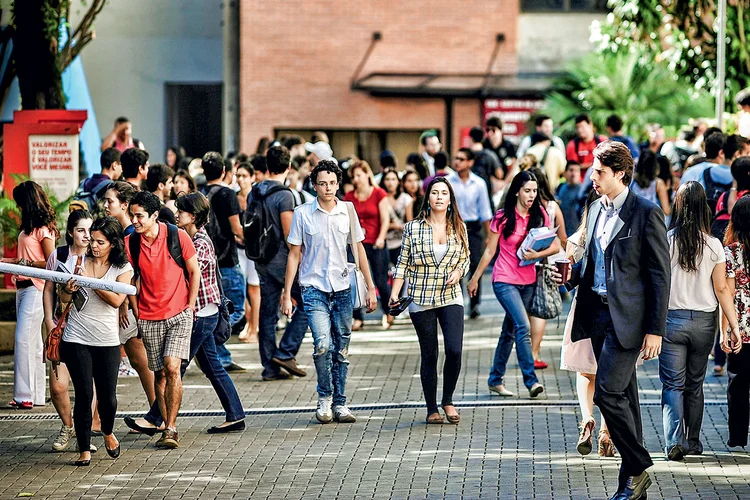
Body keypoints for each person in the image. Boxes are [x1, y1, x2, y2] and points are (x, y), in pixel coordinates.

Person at [561, 141, 670, 500]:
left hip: (630, 320)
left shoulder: (646, 212)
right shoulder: (593, 209)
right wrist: (568, 275)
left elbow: (659, 276)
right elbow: (592, 261)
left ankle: (639, 464)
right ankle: (631, 481)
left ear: (620, 173)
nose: (593, 177)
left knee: (607, 391)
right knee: (626, 396)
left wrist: (656, 330)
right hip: (596, 315)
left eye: (599, 172)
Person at [127, 193, 246, 435]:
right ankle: (235, 415)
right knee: (212, 366)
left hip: (201, 312)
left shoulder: (199, 242)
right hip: (199, 311)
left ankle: (155, 418)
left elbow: (186, 275)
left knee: (174, 366)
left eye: (181, 212)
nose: (177, 215)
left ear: (192, 216)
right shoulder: (188, 237)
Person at [282, 159, 378, 424]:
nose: (328, 188)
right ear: (314, 185)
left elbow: (359, 249)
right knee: (323, 345)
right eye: (322, 183)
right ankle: (324, 397)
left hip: (343, 287)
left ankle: (340, 403)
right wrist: (286, 292)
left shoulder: (347, 211)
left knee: (342, 348)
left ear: (338, 184)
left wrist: (371, 287)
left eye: (332, 183)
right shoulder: (302, 213)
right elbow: (294, 254)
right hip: (313, 288)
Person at [660, 181, 740, 461]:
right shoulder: (715, 245)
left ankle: (673, 442)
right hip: (704, 322)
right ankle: (693, 441)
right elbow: (722, 290)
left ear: (679, 207)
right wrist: (733, 327)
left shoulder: (666, 241)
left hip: (671, 321)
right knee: (695, 385)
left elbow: (658, 284)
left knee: (672, 385)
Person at [467, 171, 560, 399]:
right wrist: (475, 278)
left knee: (509, 331)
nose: (531, 195)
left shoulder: (539, 215)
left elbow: (556, 244)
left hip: (528, 280)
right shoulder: (503, 216)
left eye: (535, 191)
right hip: (504, 279)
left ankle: (495, 379)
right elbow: (490, 250)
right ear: (517, 191)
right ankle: (531, 381)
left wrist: (535, 255)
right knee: (522, 327)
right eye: (527, 191)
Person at [390, 177, 470, 424]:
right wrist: (395, 292)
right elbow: (403, 263)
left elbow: (466, 258)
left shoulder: (458, 227)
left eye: (443, 193)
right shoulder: (413, 228)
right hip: (421, 297)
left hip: (450, 295)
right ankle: (431, 407)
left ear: (449, 199)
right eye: (434, 192)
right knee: (430, 353)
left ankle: (448, 400)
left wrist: (459, 272)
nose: (438, 197)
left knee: (454, 350)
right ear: (428, 197)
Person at [125, 191, 201, 448]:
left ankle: (171, 427)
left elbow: (194, 271)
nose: (135, 220)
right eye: (132, 215)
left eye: (140, 216)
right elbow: (131, 279)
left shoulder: (177, 236)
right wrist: (136, 310)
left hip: (179, 314)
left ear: (154, 216)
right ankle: (164, 424)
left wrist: (190, 306)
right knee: (159, 374)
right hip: (148, 317)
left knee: (172, 367)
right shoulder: (131, 243)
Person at [59, 217, 131, 466]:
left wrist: (92, 282)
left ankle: (108, 431)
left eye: (101, 242)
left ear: (113, 243)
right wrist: (69, 288)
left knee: (108, 397)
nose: (95, 246)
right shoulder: (76, 261)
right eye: (93, 241)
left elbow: (117, 300)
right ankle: (84, 449)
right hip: (76, 336)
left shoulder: (122, 268)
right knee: (84, 393)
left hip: (107, 340)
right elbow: (64, 299)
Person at [558, 190, 617, 458]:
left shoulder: (575, 239)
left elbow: (569, 277)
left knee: (585, 373)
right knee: (610, 375)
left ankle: (586, 419)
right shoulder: (614, 231)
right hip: (612, 310)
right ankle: (607, 431)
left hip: (583, 311)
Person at [248, 145, 310, 380]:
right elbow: (288, 233)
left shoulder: (256, 191)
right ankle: (285, 352)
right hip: (282, 260)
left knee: (267, 313)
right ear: (288, 167)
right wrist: (301, 257)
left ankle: (270, 368)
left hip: (260, 259)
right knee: (306, 302)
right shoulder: (284, 194)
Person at [43, 209, 97, 451]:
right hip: (61, 325)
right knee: (58, 386)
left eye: (89, 230)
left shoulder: (97, 255)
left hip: (88, 327)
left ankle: (84, 433)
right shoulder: (58, 255)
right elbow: (47, 289)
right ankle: (68, 426)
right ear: (70, 232)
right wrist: (48, 319)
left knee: (87, 385)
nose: (86, 236)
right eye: (81, 230)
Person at [100, 180, 156, 407]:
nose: (105, 205)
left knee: (105, 360)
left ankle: (96, 420)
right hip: (130, 305)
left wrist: (124, 303)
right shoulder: (121, 231)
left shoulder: (133, 233)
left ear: (124, 205)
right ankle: (158, 411)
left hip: (132, 304)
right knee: (138, 360)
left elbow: (137, 273)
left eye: (110, 201)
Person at [3, 181, 58, 409]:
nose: (17, 207)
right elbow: (23, 258)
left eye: (19, 202)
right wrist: (12, 263)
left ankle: (24, 395)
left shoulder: (43, 230)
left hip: (36, 288)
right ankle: (34, 395)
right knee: (33, 343)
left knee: (23, 339)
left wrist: (26, 263)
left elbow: (52, 262)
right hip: (23, 286)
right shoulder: (28, 228)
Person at [199, 152, 246, 371]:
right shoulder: (227, 194)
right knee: (235, 308)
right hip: (227, 259)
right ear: (225, 171)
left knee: (214, 307)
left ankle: (220, 356)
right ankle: (208, 346)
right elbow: (237, 228)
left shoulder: (198, 194)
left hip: (204, 260)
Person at [345, 160, 393, 330]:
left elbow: (385, 219)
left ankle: (388, 312)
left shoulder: (378, 194)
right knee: (355, 281)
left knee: (380, 280)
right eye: (353, 176)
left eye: (359, 175)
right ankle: (358, 317)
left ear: (367, 174)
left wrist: (381, 237)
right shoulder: (349, 197)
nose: (356, 179)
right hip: (356, 244)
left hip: (376, 243)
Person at [527, 166, 567, 369]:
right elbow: (563, 239)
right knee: (539, 310)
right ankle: (534, 353)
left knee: (525, 309)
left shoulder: (525, 206)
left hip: (524, 262)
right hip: (547, 264)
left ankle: (526, 352)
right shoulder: (552, 207)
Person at [446, 149, 492, 319]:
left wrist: (489, 236)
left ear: (470, 162)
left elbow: (485, 212)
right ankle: (454, 302)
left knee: (474, 266)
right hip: (453, 227)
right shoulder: (448, 181)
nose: (457, 162)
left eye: (461, 159)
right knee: (453, 264)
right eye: (455, 158)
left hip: (473, 228)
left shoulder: (479, 183)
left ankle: (474, 304)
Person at [723, 196, 750, 448]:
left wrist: (727, 329)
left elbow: (728, 293)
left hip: (740, 328)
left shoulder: (730, 252)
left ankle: (738, 436)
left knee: (738, 382)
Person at [235, 162, 260, 343]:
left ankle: (254, 327)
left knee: (254, 288)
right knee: (239, 287)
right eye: (238, 175)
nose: (241, 179)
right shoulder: (234, 198)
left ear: (252, 177)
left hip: (255, 248)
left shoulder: (257, 198)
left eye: (244, 175)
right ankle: (249, 321)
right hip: (238, 248)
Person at [379, 167, 413, 267]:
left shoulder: (405, 198)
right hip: (385, 242)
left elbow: (409, 222)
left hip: (401, 242)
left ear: (398, 181)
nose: (390, 183)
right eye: (387, 179)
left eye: (393, 179)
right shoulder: (380, 198)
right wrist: (394, 226)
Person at [468, 126, 501, 208]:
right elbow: (499, 174)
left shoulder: (465, 156)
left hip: (469, 199)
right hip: (486, 198)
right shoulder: (490, 155)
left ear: (471, 138)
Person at [630, 150, 671, 217]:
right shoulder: (658, 183)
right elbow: (666, 210)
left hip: (635, 218)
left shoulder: (632, 181)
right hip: (652, 220)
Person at [556, 161, 582, 238]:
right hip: (562, 233)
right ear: (565, 173)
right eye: (571, 170)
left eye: (577, 171)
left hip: (577, 233)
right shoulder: (560, 187)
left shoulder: (582, 192)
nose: (573, 174)